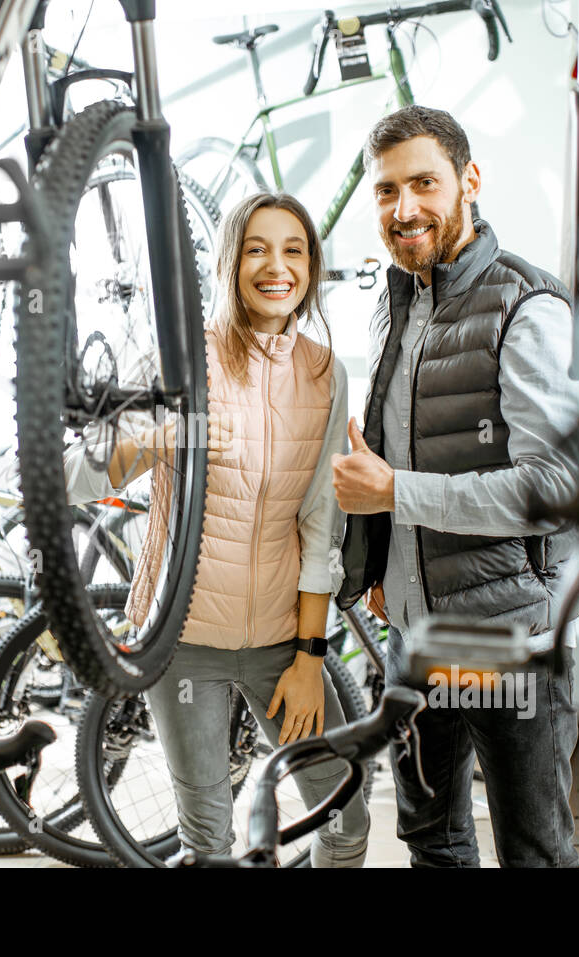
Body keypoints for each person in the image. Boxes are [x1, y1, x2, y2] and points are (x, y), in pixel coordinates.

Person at [66, 192, 368, 866]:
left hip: (281, 639)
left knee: (344, 813)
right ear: (232, 260)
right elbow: (75, 474)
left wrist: (310, 656)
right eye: (257, 248)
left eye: (293, 249)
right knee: (210, 839)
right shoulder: (181, 361)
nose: (276, 266)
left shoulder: (325, 373)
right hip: (184, 639)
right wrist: (152, 434)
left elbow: (321, 522)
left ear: (311, 266)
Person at [331, 105, 579, 867]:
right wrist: (384, 567)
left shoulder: (526, 304)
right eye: (385, 191)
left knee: (533, 849)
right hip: (414, 637)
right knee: (432, 837)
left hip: (511, 639)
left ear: (469, 181)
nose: (404, 208)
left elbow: (555, 485)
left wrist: (394, 496)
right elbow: (398, 447)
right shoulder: (394, 303)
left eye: (423, 184)